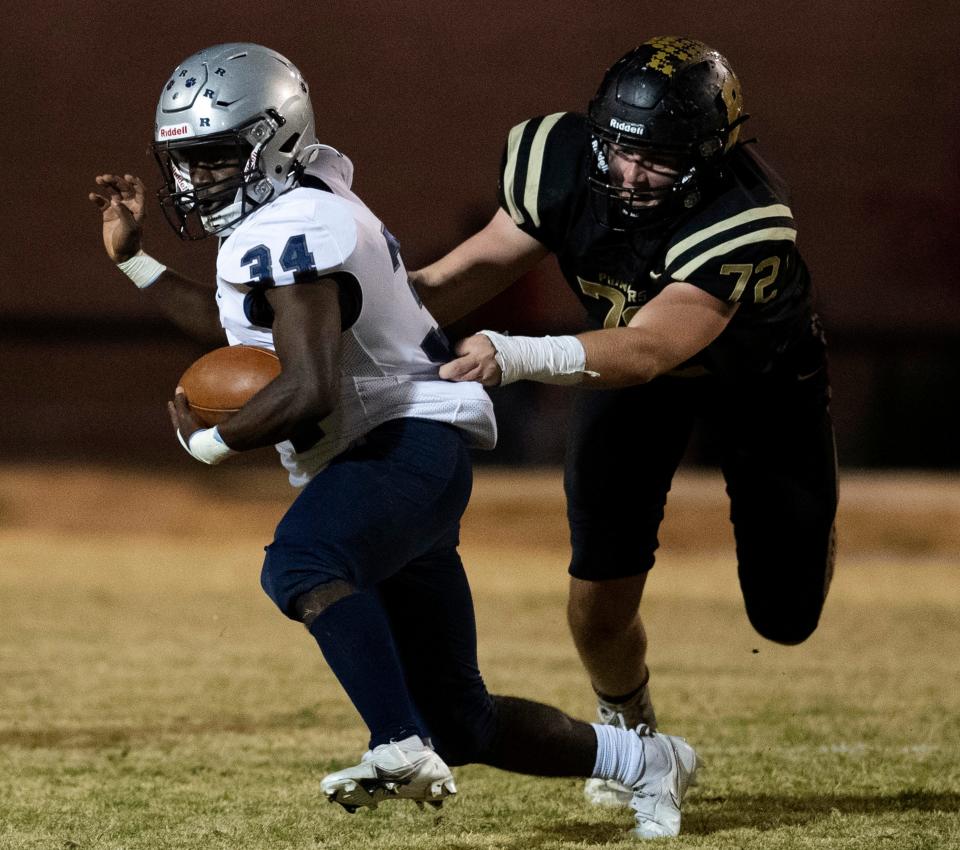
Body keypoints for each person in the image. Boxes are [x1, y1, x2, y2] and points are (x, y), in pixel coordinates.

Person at [88, 42, 702, 840]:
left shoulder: (297, 225)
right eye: (186, 161)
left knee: (304, 563)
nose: (196, 180)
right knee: (464, 720)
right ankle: (649, 763)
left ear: (273, 140)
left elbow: (305, 387)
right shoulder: (302, 211)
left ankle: (394, 744)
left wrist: (212, 443)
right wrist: (134, 261)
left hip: (400, 444)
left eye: (213, 158)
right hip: (404, 453)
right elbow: (236, 326)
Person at [412, 36, 838, 807]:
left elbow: (652, 347)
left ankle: (810, 529)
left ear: (708, 158)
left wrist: (514, 353)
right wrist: (362, 312)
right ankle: (630, 729)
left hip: (757, 381)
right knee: (598, 591)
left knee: (786, 616)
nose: (633, 174)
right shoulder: (561, 158)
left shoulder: (745, 217)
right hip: (616, 359)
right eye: (620, 151)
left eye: (660, 160)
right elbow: (469, 270)